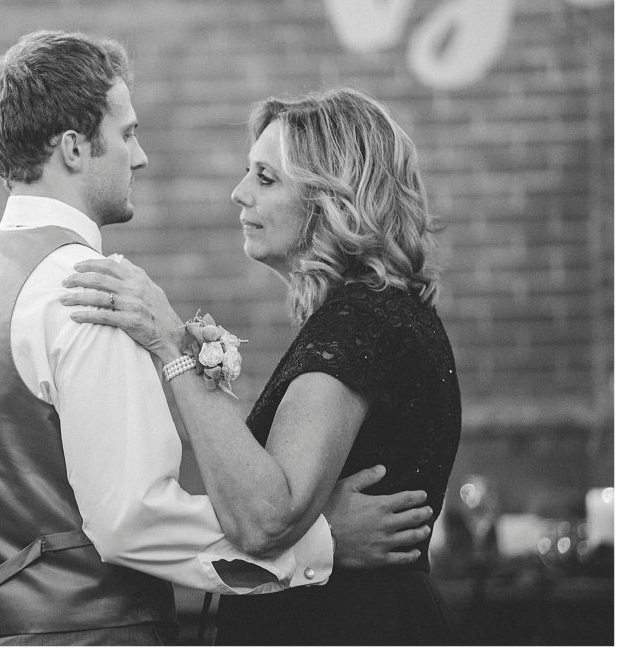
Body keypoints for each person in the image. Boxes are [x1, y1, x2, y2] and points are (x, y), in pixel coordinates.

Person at [0, 32, 434, 646]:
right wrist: (317, 543)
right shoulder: (94, 294)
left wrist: (10, 591)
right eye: (129, 133)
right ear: (76, 148)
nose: (139, 158)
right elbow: (129, 521)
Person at [62, 88, 461, 645]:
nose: (239, 193)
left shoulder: (362, 322)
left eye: (266, 178)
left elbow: (264, 518)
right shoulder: (380, 313)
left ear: (332, 200)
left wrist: (172, 341)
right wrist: (326, 535)